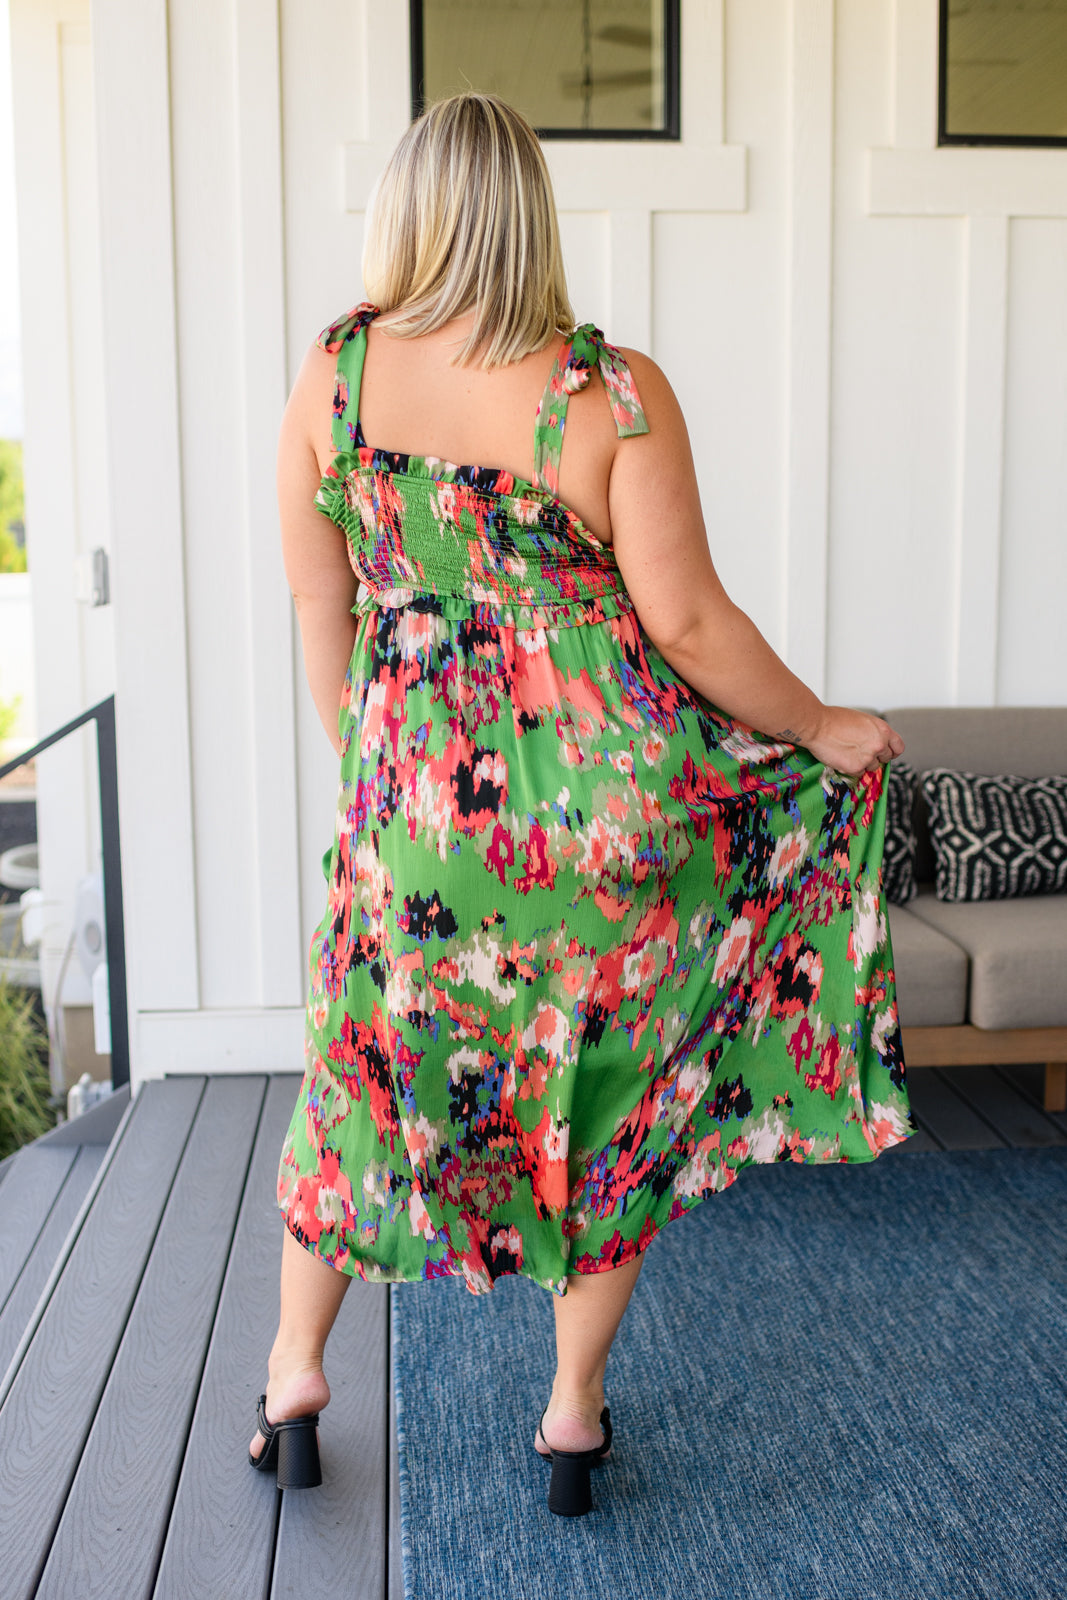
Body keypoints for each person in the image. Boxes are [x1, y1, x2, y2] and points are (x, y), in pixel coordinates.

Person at [249, 92, 915, 1516]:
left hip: (419, 821)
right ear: (531, 218)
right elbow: (687, 623)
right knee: (606, 1098)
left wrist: (379, 780)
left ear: (408, 215)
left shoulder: (335, 378)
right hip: (608, 827)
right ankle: (569, 1412)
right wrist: (820, 728)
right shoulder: (610, 393)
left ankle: (295, 1375)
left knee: (362, 1075)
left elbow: (321, 607)